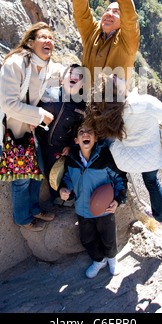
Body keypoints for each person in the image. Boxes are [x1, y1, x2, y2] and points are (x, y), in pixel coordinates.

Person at [0, 22, 65, 231]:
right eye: (43, 37)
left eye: (51, 38)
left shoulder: (45, 66)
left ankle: (34, 208)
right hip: (5, 129)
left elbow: (65, 73)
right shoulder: (15, 64)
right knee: (22, 179)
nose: (49, 41)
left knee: (37, 169)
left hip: (24, 127)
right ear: (30, 43)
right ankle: (23, 219)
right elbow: (9, 104)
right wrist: (40, 115)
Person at [86, 74, 162, 224]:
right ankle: (161, 218)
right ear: (120, 92)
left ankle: (121, 197)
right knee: (151, 181)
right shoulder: (146, 102)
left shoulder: (112, 113)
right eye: (115, 79)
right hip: (151, 159)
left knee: (110, 141)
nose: (117, 74)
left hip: (125, 161)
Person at [59, 119, 127, 278]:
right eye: (81, 132)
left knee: (108, 238)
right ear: (76, 140)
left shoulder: (105, 157)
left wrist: (117, 200)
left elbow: (120, 178)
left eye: (90, 132)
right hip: (82, 210)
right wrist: (64, 188)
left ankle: (112, 259)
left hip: (105, 209)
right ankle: (99, 260)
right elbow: (67, 177)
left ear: (96, 138)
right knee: (87, 239)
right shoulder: (72, 159)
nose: (85, 134)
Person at [73, 0, 140, 85]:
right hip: (84, 101)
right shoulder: (92, 32)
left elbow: (129, 14)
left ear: (123, 21)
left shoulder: (128, 40)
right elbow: (81, 13)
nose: (109, 14)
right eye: (107, 10)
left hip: (111, 105)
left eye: (116, 12)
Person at [35, 63, 86, 204]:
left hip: (59, 146)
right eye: (71, 74)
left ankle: (62, 198)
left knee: (56, 173)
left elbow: (78, 129)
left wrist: (70, 145)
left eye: (79, 76)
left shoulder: (81, 106)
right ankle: (48, 199)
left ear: (82, 85)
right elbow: (32, 110)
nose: (74, 77)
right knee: (41, 172)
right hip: (39, 141)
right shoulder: (48, 93)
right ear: (62, 79)